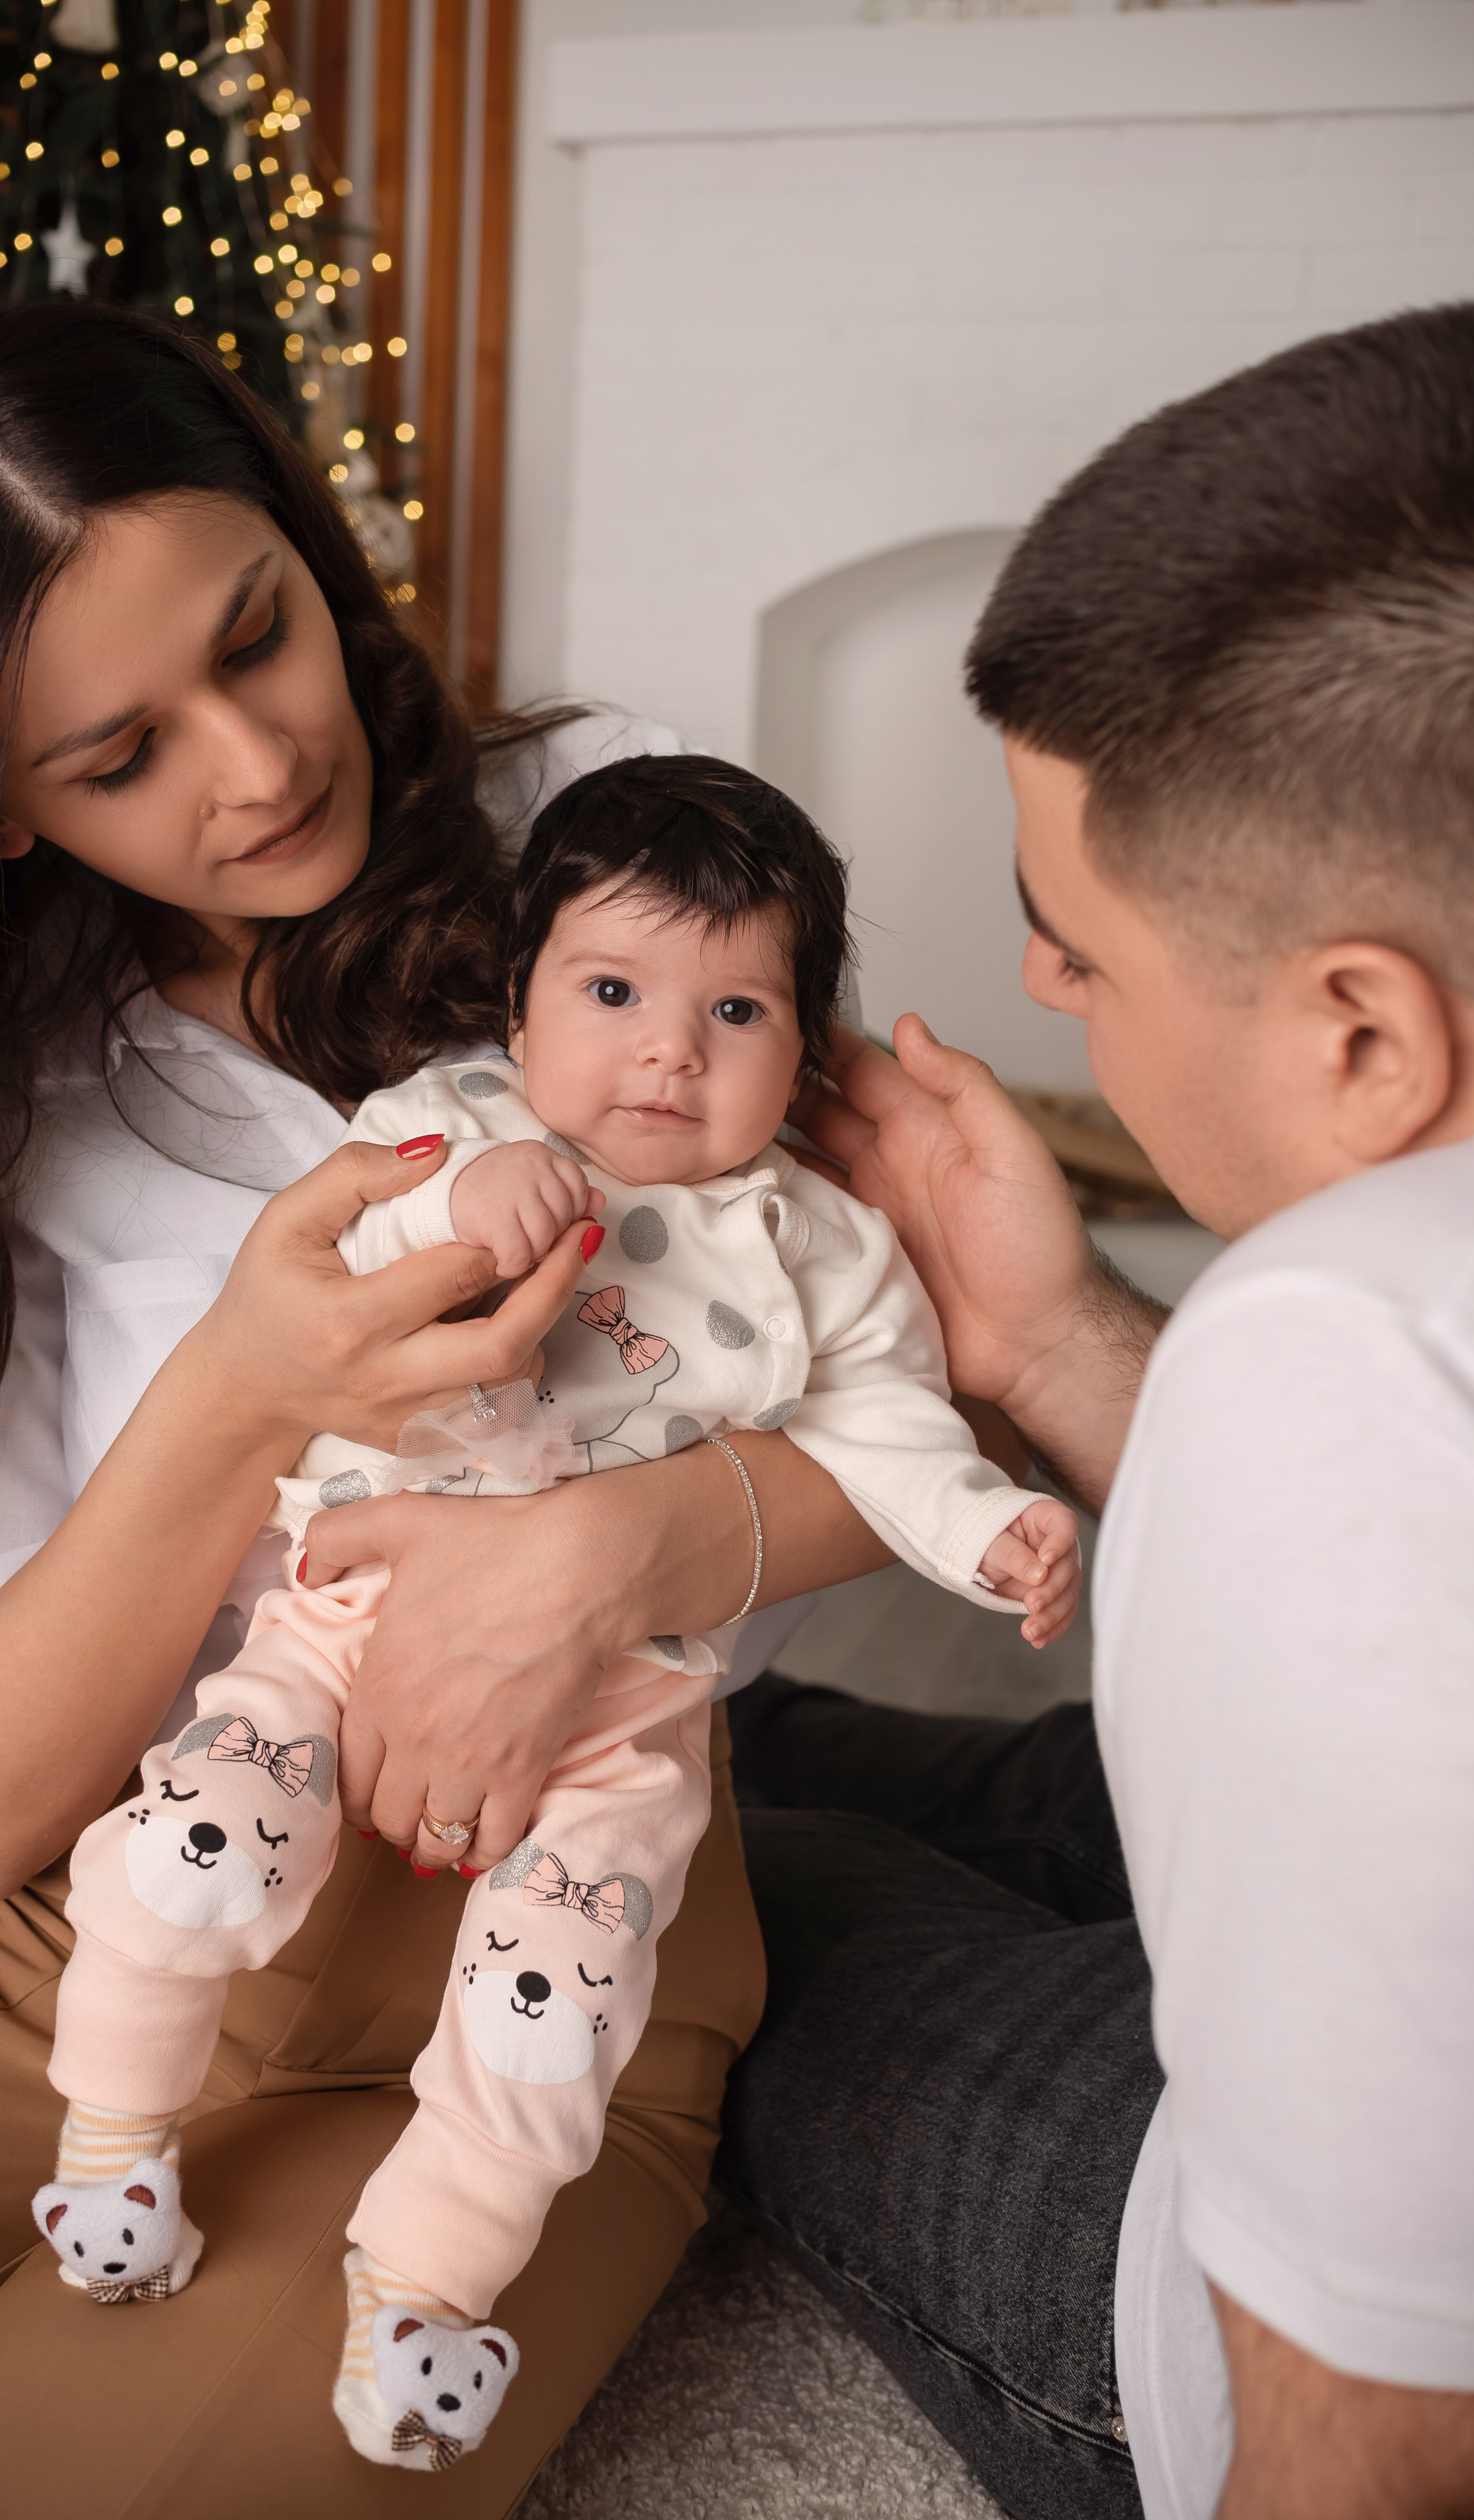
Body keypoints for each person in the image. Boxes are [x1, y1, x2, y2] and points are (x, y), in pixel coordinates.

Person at [0, 305, 895, 2518]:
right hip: (79, 1913)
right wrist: (239, 1388)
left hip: (532, 1956)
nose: (257, 762)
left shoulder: (619, 856)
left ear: (309, 542)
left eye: (258, 635)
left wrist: (601, 1557)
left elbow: (911, 1370)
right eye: (118, 758)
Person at [24, 752, 1080, 2473]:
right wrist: (455, 1205)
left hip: (631, 1702)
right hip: (352, 1603)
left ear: (806, 1051)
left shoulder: (819, 1241)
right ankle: (114, 2131)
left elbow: (885, 1420)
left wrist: (993, 1526)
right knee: (205, 1837)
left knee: (563, 1999)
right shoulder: (450, 1124)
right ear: (519, 1002)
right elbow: (334, 1274)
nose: (670, 1047)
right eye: (613, 990)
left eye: (737, 1007)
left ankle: (426, 2289)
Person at [719, 300, 1474, 2520]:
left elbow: (1382, 2442)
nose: (1043, 985)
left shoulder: (1332, 1350)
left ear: (1359, 1031)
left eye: (1081, 944)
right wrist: (1053, 1349)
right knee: (842, 1757)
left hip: (1302, 2367)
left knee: (730, 1913)